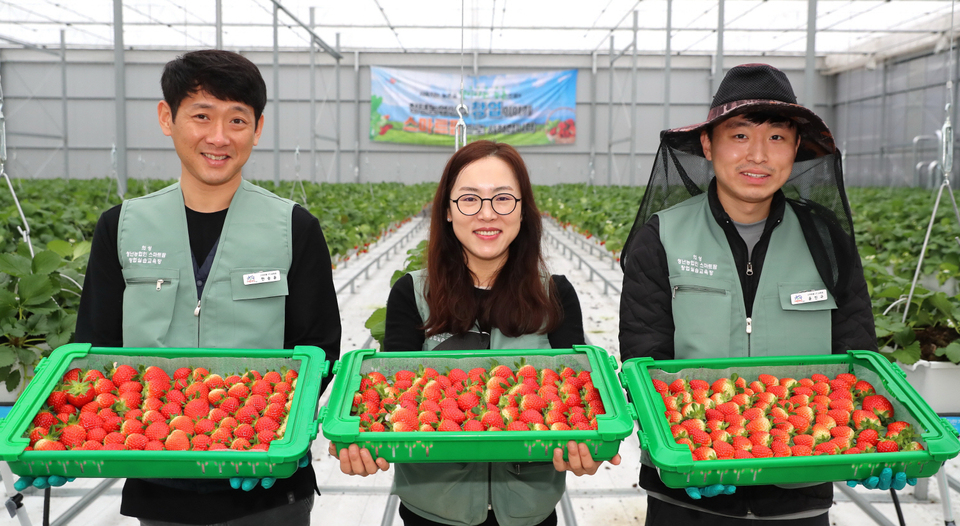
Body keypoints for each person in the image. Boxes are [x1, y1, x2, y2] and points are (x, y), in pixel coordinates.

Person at [619, 63, 905, 525]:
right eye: (739, 135)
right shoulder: (663, 236)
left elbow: (856, 354)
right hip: (686, 491)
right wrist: (679, 448)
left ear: (795, 149)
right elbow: (642, 358)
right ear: (708, 145)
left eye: (776, 137)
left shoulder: (826, 238)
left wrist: (876, 438)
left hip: (800, 495)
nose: (758, 155)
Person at [67, 49, 341, 526]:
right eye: (201, 116)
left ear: (257, 128)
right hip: (159, 479)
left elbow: (319, 348)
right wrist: (63, 437)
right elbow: (94, 347)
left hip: (269, 485)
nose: (218, 137)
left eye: (237, 120)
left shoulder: (293, 228)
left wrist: (274, 432)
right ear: (166, 118)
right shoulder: (123, 227)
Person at [330, 140, 621, 526]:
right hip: (430, 510)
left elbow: (577, 395)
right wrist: (364, 441)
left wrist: (587, 445)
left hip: (529, 511)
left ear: (523, 211)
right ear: (448, 211)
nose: (487, 214)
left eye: (503, 199)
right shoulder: (412, 293)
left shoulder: (556, 293)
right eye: (469, 199)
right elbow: (392, 399)